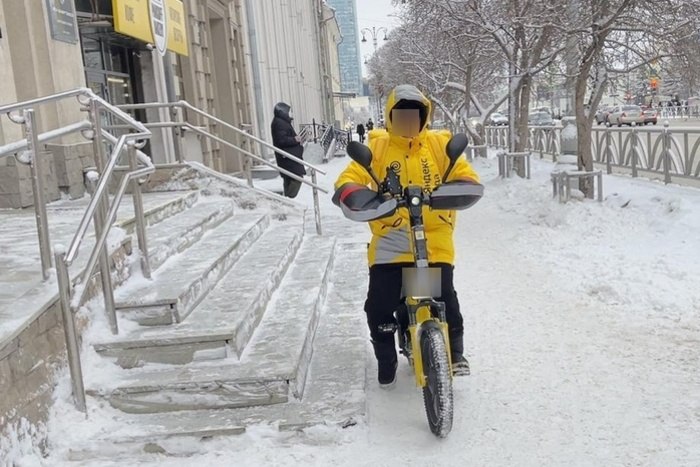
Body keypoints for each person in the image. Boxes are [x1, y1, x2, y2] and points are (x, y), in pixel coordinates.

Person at [332, 84, 482, 387]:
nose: (408, 122)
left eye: (414, 116)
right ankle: (386, 357)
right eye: (401, 116)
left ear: (424, 117)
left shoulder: (439, 145)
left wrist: (457, 188)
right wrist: (352, 193)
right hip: (392, 237)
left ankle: (453, 354)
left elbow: (464, 174)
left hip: (432, 237)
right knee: (380, 303)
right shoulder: (378, 147)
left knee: (444, 299)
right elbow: (351, 177)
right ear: (390, 117)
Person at [271, 102, 305, 198]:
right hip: (286, 157)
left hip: (289, 156)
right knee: (295, 178)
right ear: (282, 112)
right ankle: (288, 197)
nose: (289, 114)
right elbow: (281, 140)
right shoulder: (279, 123)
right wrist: (295, 139)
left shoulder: (282, 122)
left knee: (290, 179)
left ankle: (288, 197)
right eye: (288, 112)